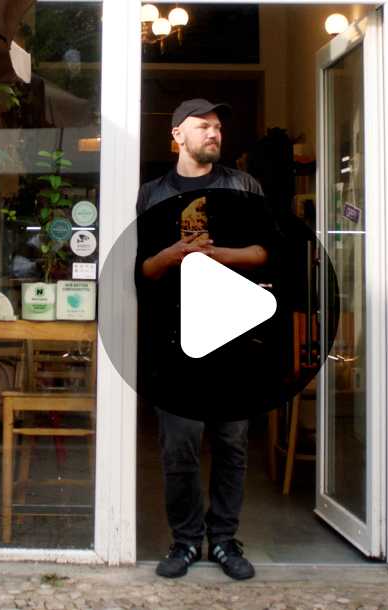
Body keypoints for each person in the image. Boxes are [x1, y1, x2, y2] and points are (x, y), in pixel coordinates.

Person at [134, 99, 268, 581]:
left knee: (232, 442)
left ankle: (226, 540)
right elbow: (143, 269)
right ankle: (187, 540)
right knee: (180, 446)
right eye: (202, 127)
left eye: (217, 128)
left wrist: (216, 258)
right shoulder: (152, 194)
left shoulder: (243, 185)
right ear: (177, 136)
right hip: (175, 338)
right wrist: (172, 255)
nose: (214, 134)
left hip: (232, 334)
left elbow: (262, 252)